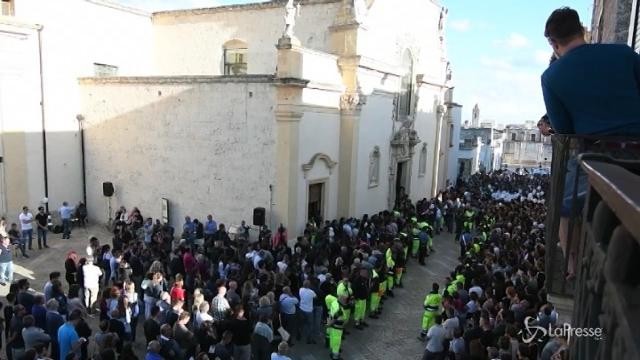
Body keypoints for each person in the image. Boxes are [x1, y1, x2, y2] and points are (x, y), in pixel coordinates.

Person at [542, 7, 640, 277]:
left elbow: (564, 129)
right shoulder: (622, 53)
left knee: (564, 207)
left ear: (553, 42)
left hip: (598, 157)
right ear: (582, 30)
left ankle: (572, 267)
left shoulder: (551, 77)